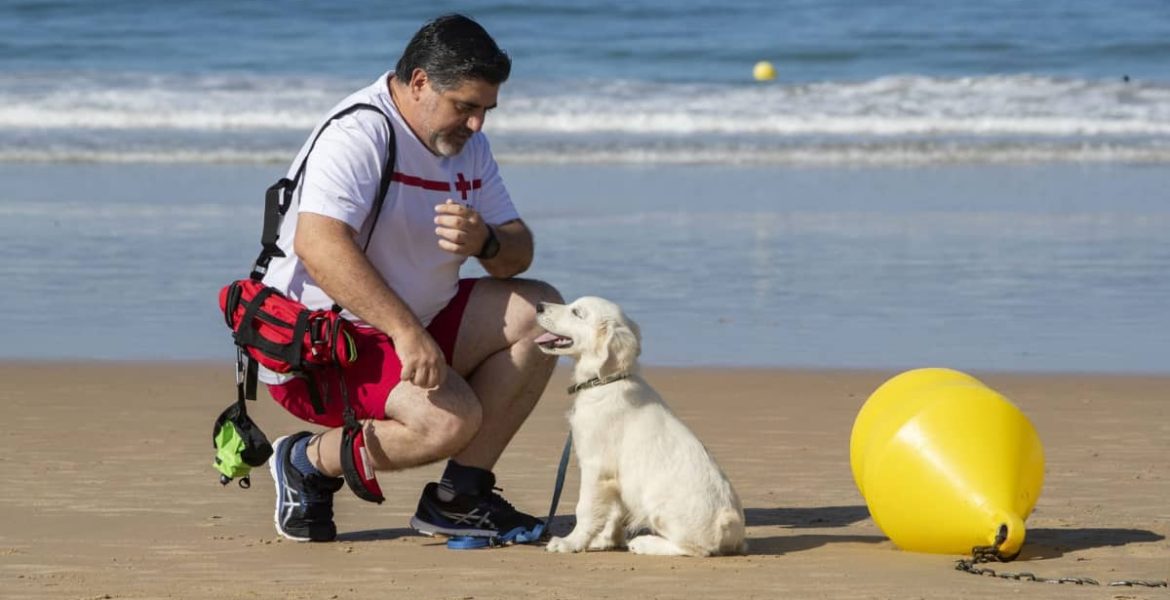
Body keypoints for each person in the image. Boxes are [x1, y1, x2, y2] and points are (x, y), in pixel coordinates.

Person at [258, 13, 562, 543]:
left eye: (486, 111)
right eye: (465, 107)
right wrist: (406, 333)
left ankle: (459, 499)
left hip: (418, 323)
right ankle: (305, 460)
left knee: (546, 316)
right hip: (326, 348)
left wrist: (486, 241)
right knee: (449, 422)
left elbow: (518, 253)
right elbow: (319, 245)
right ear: (420, 82)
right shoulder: (360, 132)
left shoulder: (469, 147)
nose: (476, 126)